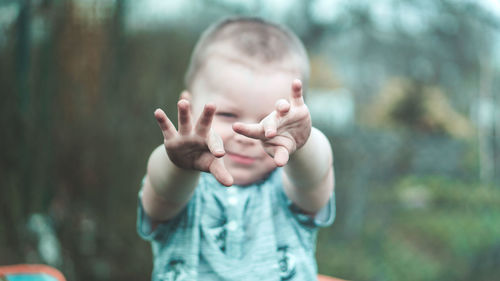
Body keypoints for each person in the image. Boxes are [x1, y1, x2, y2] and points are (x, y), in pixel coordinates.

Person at [137, 16, 336, 281]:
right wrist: (179, 165)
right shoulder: (183, 188)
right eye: (229, 115)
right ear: (190, 106)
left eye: (269, 120)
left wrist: (303, 143)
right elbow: (162, 192)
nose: (247, 135)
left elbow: (316, 176)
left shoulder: (289, 191)